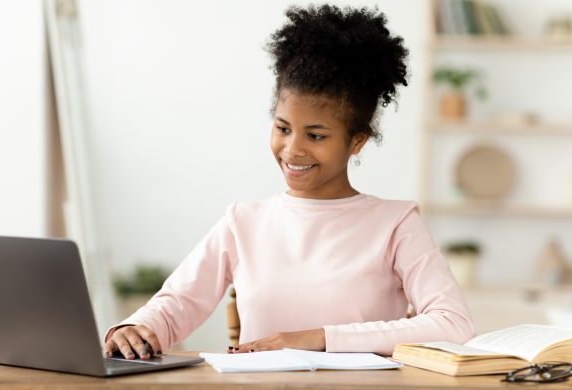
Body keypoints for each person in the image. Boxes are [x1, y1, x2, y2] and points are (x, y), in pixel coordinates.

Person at [103, 4, 474, 360]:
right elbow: (178, 304)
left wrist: (318, 339)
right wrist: (137, 327)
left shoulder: (396, 223)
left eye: (316, 136)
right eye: (283, 128)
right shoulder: (243, 221)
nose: (291, 150)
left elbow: (453, 324)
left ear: (356, 140)